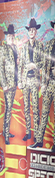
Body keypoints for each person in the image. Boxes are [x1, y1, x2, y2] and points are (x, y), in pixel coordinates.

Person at [18, 18, 45, 143]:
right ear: (28, 32)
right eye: (30, 30)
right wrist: (20, 81)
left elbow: (43, 62)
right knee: (26, 107)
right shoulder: (23, 47)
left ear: (36, 32)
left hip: (34, 80)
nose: (32, 32)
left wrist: (34, 65)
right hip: (25, 81)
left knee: (35, 108)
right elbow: (20, 65)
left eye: (34, 30)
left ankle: (37, 135)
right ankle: (28, 132)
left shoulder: (40, 46)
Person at [34, 20, 55, 148]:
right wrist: (43, 84)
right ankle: (39, 140)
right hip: (49, 82)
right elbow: (45, 64)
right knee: (44, 113)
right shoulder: (49, 44)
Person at [0, 24, 18, 144]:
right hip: (7, 85)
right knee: (8, 108)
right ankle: (6, 135)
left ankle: (6, 131)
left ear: (14, 36)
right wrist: (4, 84)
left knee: (9, 108)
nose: (10, 37)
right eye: (9, 36)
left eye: (12, 35)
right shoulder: (3, 48)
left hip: (14, 82)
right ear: (6, 37)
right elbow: (1, 67)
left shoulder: (15, 48)